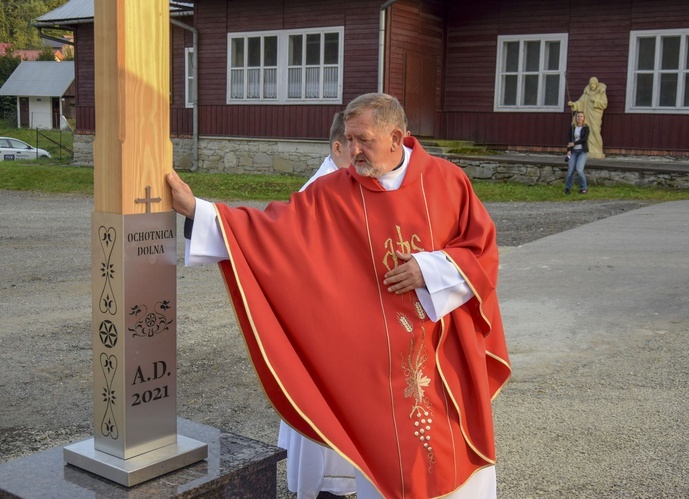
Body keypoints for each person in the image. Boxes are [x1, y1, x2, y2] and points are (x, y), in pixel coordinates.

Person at [167, 92, 511, 498]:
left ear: (396, 137)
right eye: (349, 140)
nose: (353, 151)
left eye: (363, 140)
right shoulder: (334, 191)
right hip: (374, 372)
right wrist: (200, 211)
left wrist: (429, 269)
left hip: (442, 356)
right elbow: (272, 232)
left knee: (453, 460)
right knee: (385, 466)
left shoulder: (448, 182)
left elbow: (482, 254)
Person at [277, 110, 358, 499]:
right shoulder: (320, 192)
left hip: (345, 323)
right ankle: (325, 488)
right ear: (337, 146)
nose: (362, 154)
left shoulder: (349, 183)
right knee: (327, 420)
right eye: (355, 145)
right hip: (327, 326)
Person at [567, 76, 607, 159]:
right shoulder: (586, 93)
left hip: (595, 115)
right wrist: (574, 104)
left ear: (596, 84)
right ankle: (588, 150)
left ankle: (597, 150)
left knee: (595, 131)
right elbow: (580, 102)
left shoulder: (601, 93)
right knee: (585, 132)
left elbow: (604, 104)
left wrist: (595, 100)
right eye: (591, 84)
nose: (592, 85)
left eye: (593, 84)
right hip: (586, 115)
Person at [565, 111, 589, 195]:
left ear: (583, 118)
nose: (579, 118)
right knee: (570, 170)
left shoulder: (586, 128)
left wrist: (574, 143)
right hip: (573, 151)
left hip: (582, 151)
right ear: (576, 118)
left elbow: (584, 139)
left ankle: (584, 188)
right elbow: (569, 140)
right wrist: (568, 150)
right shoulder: (572, 127)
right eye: (578, 116)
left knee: (579, 169)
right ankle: (567, 188)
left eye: (581, 116)